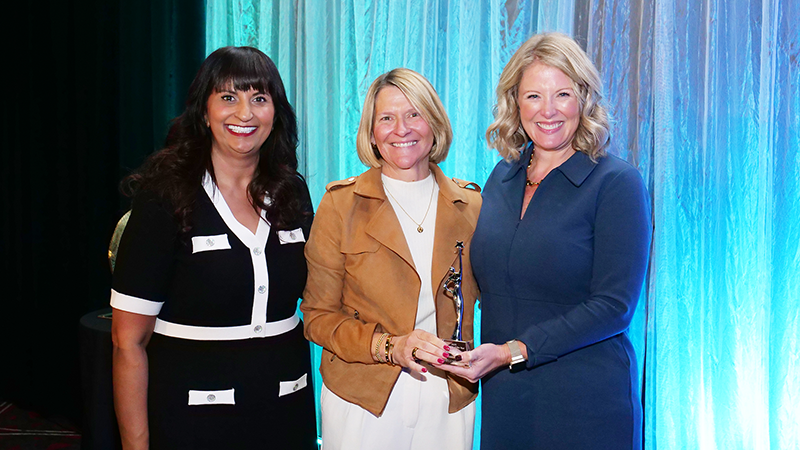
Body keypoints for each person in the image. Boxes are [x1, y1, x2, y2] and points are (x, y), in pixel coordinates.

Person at [438, 33, 652, 449]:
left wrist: (514, 350)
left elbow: (614, 307)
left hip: (586, 401)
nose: (548, 110)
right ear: (515, 103)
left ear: (584, 100)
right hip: (507, 397)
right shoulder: (500, 178)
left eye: (563, 94)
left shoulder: (617, 183)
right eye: (534, 95)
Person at [110, 46, 317, 450]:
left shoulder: (293, 193)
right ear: (204, 112)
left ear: (276, 113)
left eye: (259, 98)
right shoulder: (164, 197)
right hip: (193, 420)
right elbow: (127, 342)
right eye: (228, 97)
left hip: (286, 414)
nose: (245, 113)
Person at [300, 68, 481, 450]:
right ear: (371, 133)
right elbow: (317, 317)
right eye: (387, 118)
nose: (402, 129)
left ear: (434, 123)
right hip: (362, 396)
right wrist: (389, 347)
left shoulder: (472, 206)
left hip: (447, 398)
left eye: (414, 114)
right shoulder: (340, 205)